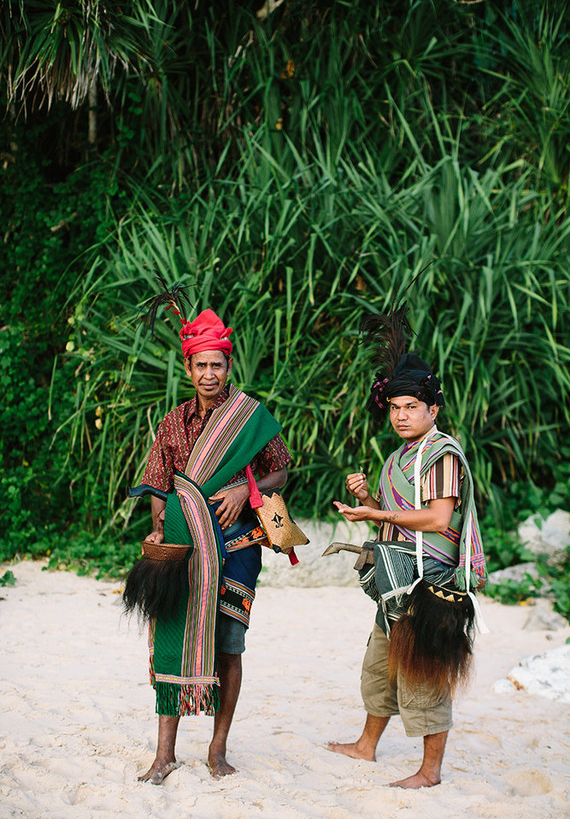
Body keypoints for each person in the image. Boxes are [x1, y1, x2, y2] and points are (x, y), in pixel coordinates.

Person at [125, 300, 292, 784]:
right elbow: (160, 483)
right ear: (188, 366)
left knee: (230, 645)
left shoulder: (249, 417)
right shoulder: (173, 422)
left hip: (236, 549)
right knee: (172, 641)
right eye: (201, 365)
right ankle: (164, 755)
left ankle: (217, 750)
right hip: (185, 549)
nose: (209, 373)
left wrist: (246, 488)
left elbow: (280, 466)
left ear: (228, 364)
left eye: (217, 364)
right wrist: (159, 526)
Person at [327, 309, 486, 789]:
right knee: (381, 666)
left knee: (424, 673)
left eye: (411, 407)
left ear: (432, 410)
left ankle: (430, 772)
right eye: (395, 407)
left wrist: (376, 515)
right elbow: (396, 522)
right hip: (397, 580)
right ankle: (365, 746)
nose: (401, 415)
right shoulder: (397, 457)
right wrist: (367, 500)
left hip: (429, 584)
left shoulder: (440, 454)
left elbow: (438, 520)